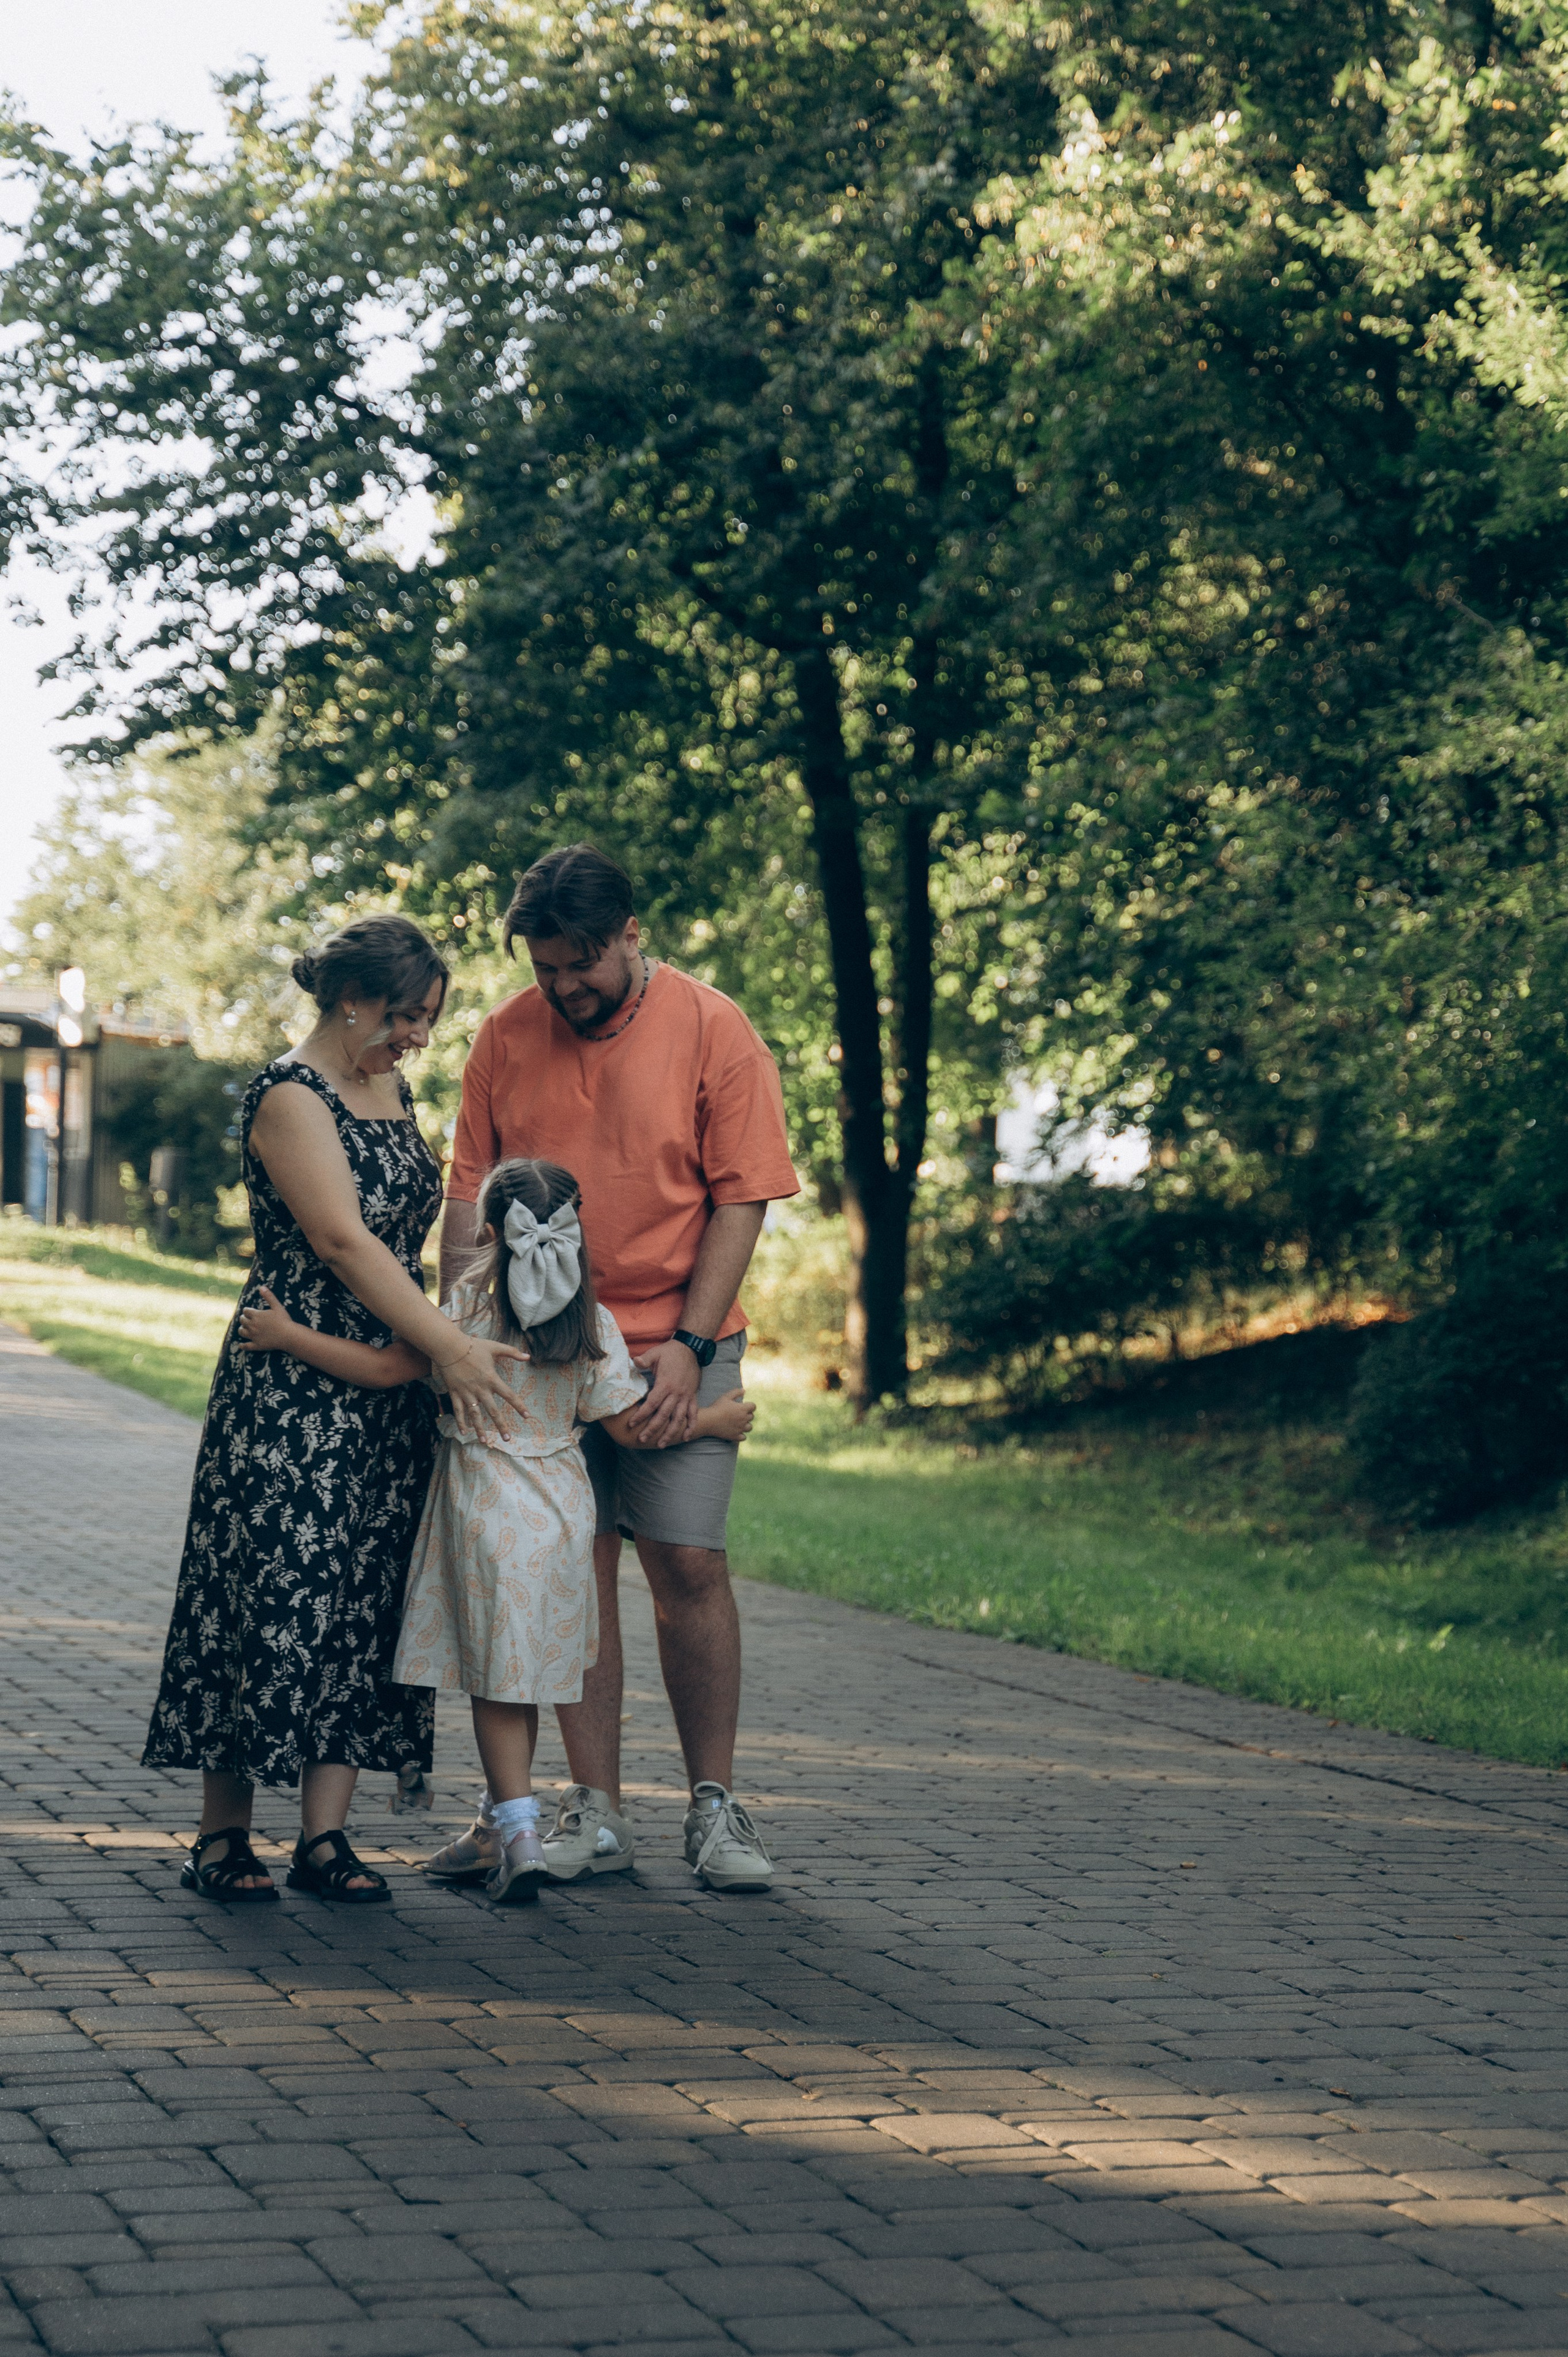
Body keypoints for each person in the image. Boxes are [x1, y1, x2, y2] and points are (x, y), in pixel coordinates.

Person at [238, 1156, 756, 1906]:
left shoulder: (460, 1317)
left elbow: (382, 1370)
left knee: (499, 1687)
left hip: (484, 1516)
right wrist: (712, 1420)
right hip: (561, 1518)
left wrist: (289, 1336)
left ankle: (517, 1835)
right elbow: (630, 1429)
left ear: (487, 1235)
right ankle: (504, 1822)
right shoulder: (594, 1326)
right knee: (528, 1678)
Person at [141, 915, 528, 1906]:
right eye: (407, 1016)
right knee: (263, 1593)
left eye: (428, 1019)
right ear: (353, 1000)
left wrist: (451, 1330)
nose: (419, 1038)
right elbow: (344, 1243)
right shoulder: (289, 1095)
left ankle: (325, 1838)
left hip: (388, 1385)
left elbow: (420, 1231)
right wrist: (450, 1349)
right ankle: (222, 1835)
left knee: (364, 1601)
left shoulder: (391, 1087)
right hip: (292, 1387)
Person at [440, 843, 799, 1891]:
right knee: (575, 1571)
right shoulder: (505, 1034)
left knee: (688, 1562)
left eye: (582, 965)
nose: (564, 988)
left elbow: (742, 1196)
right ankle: (594, 1809)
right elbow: (467, 1198)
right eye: (547, 968)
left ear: (632, 934)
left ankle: (716, 1809)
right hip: (539, 1351)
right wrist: (462, 1333)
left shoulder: (715, 1028)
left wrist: (692, 1347)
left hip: (679, 1333)